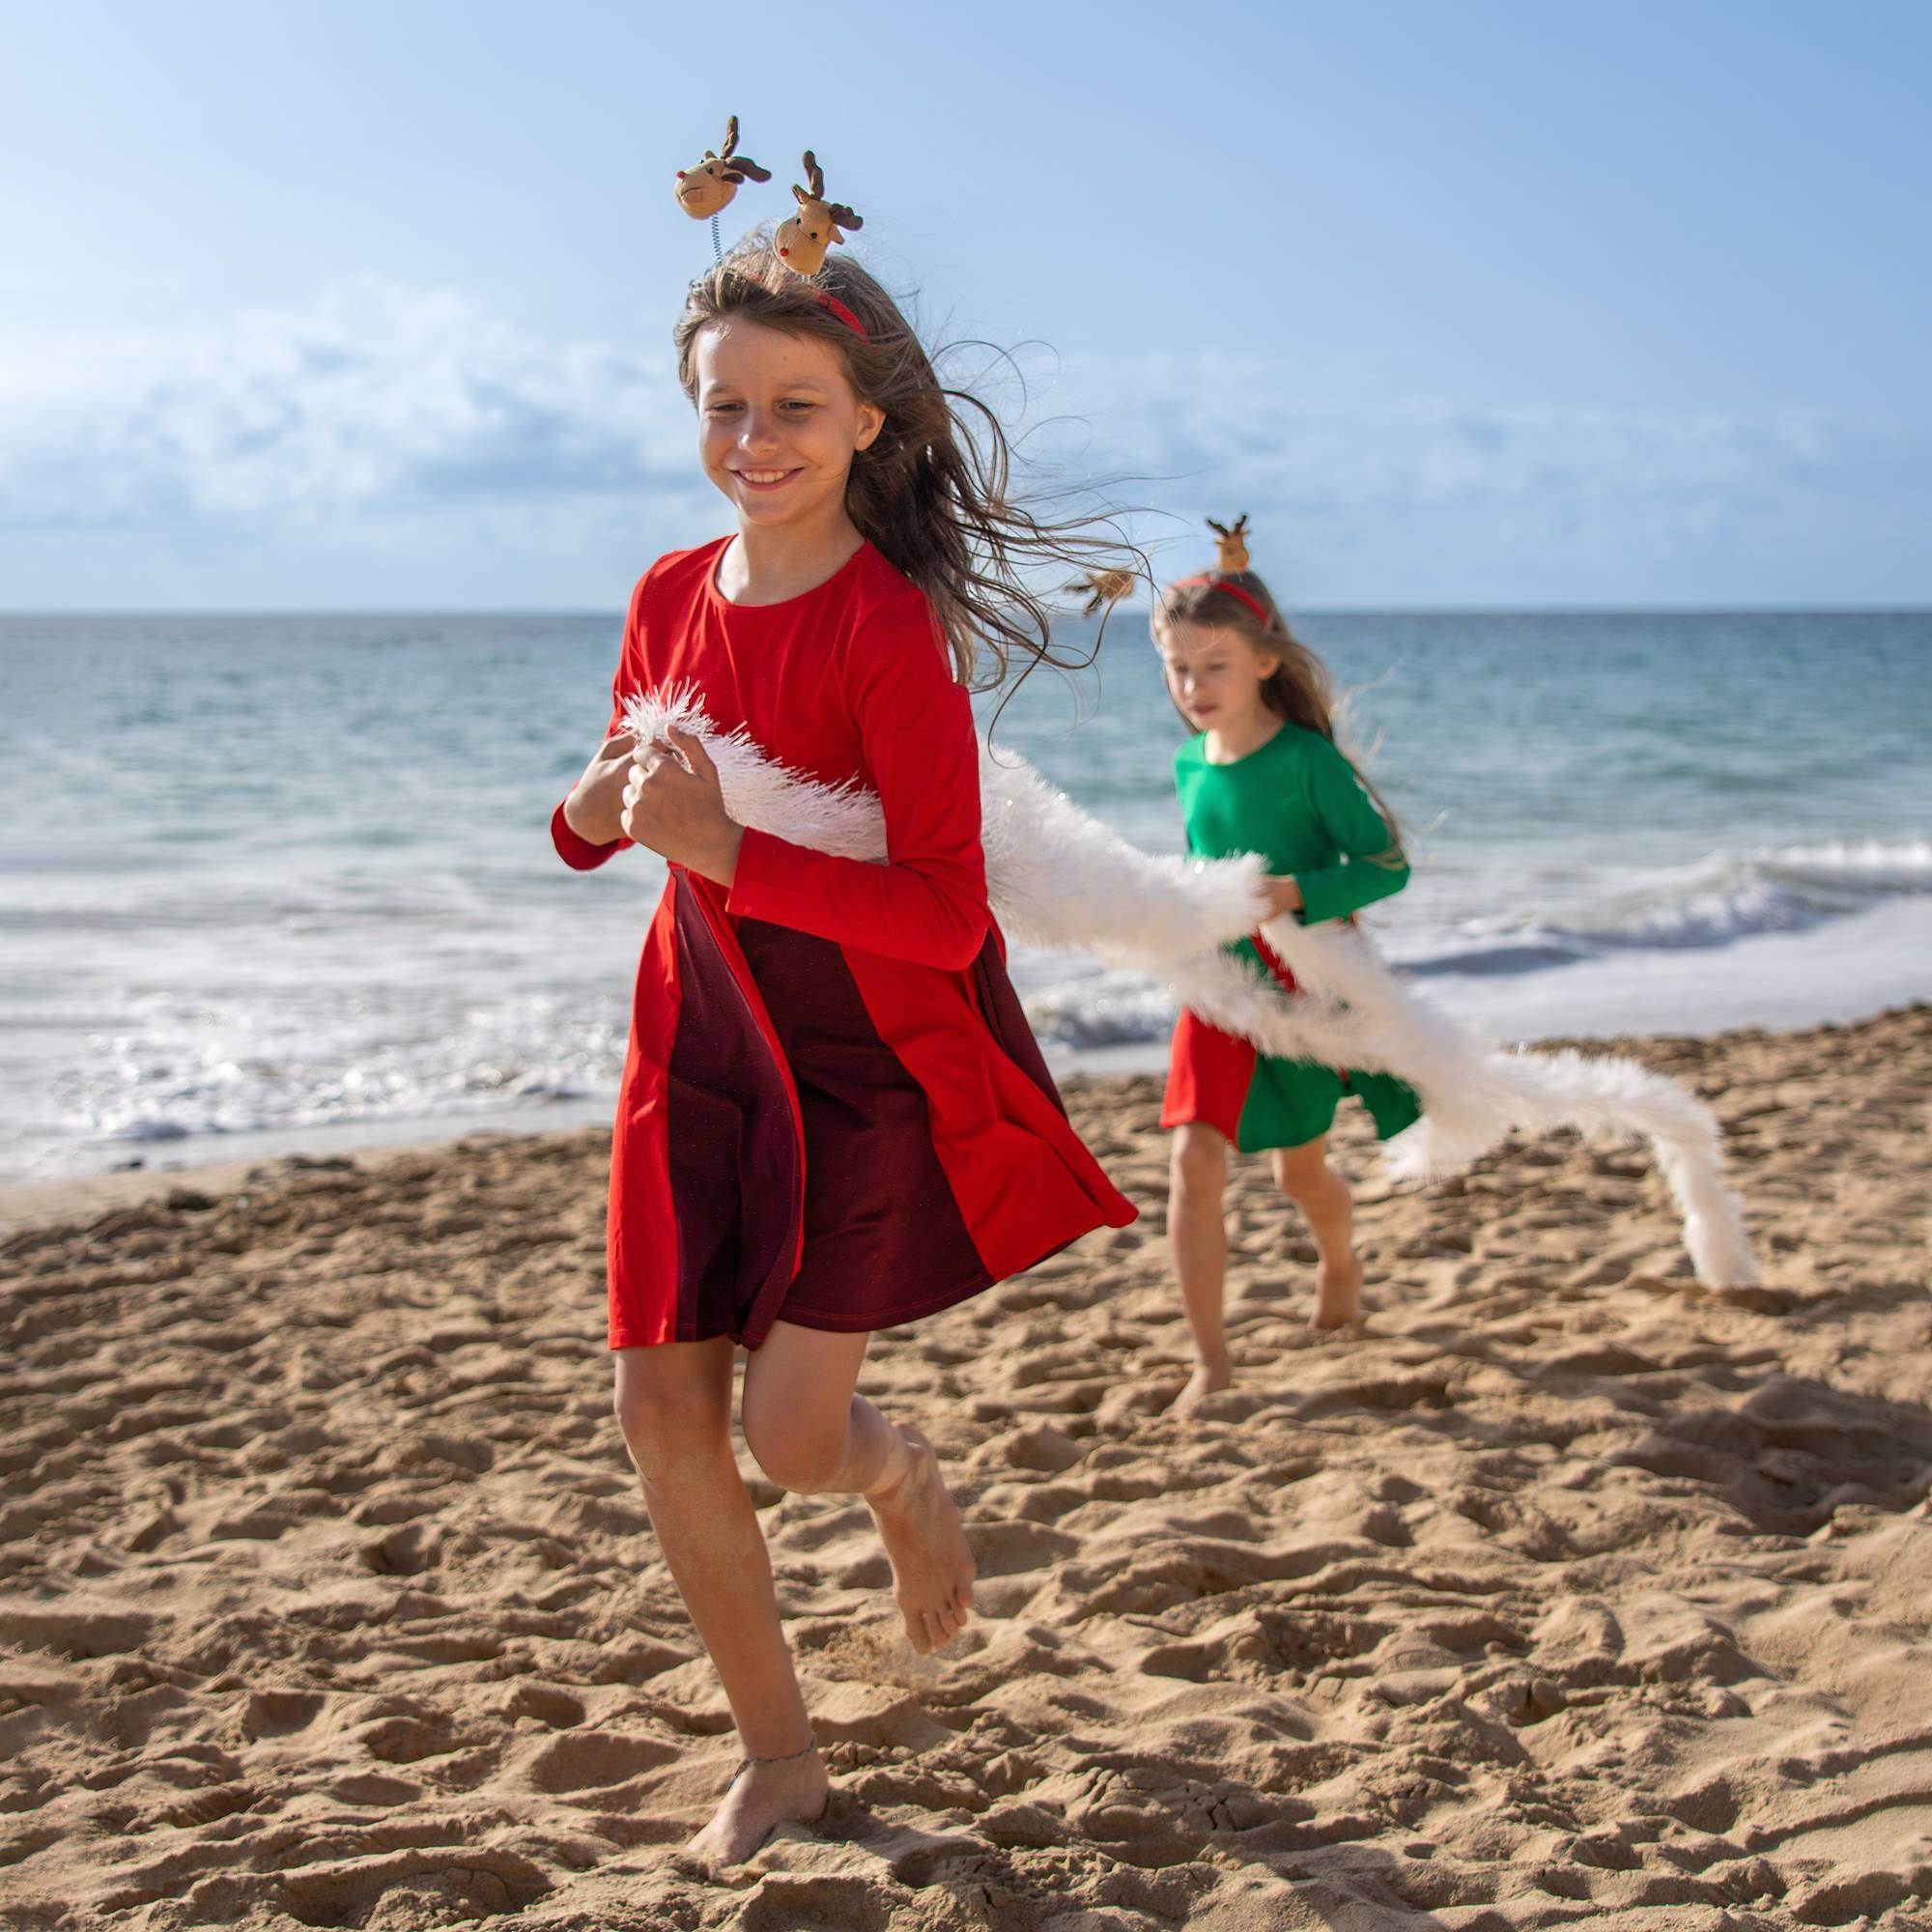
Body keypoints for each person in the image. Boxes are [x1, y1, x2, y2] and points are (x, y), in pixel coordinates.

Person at [551, 237, 1137, 1864]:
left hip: (860, 1063)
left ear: (870, 421)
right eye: (725, 404)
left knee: (794, 1441)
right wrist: (594, 816)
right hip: (694, 1036)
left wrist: (725, 849)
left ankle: (899, 1482)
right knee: (660, 1411)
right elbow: (609, 801)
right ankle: (784, 1757)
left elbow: (948, 916)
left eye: (794, 405)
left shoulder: (887, 634)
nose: (757, 437)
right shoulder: (668, 590)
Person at [1152, 550, 1417, 1410]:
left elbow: (1386, 864)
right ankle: (1211, 1365)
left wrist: (1301, 891)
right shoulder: (1191, 761)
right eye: (1179, 668)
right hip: (1218, 987)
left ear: (1266, 660)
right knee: (1193, 1161)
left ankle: (1341, 1259)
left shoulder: (1307, 760)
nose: (1194, 685)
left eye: (1214, 666)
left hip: (1300, 987)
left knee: (1297, 1176)